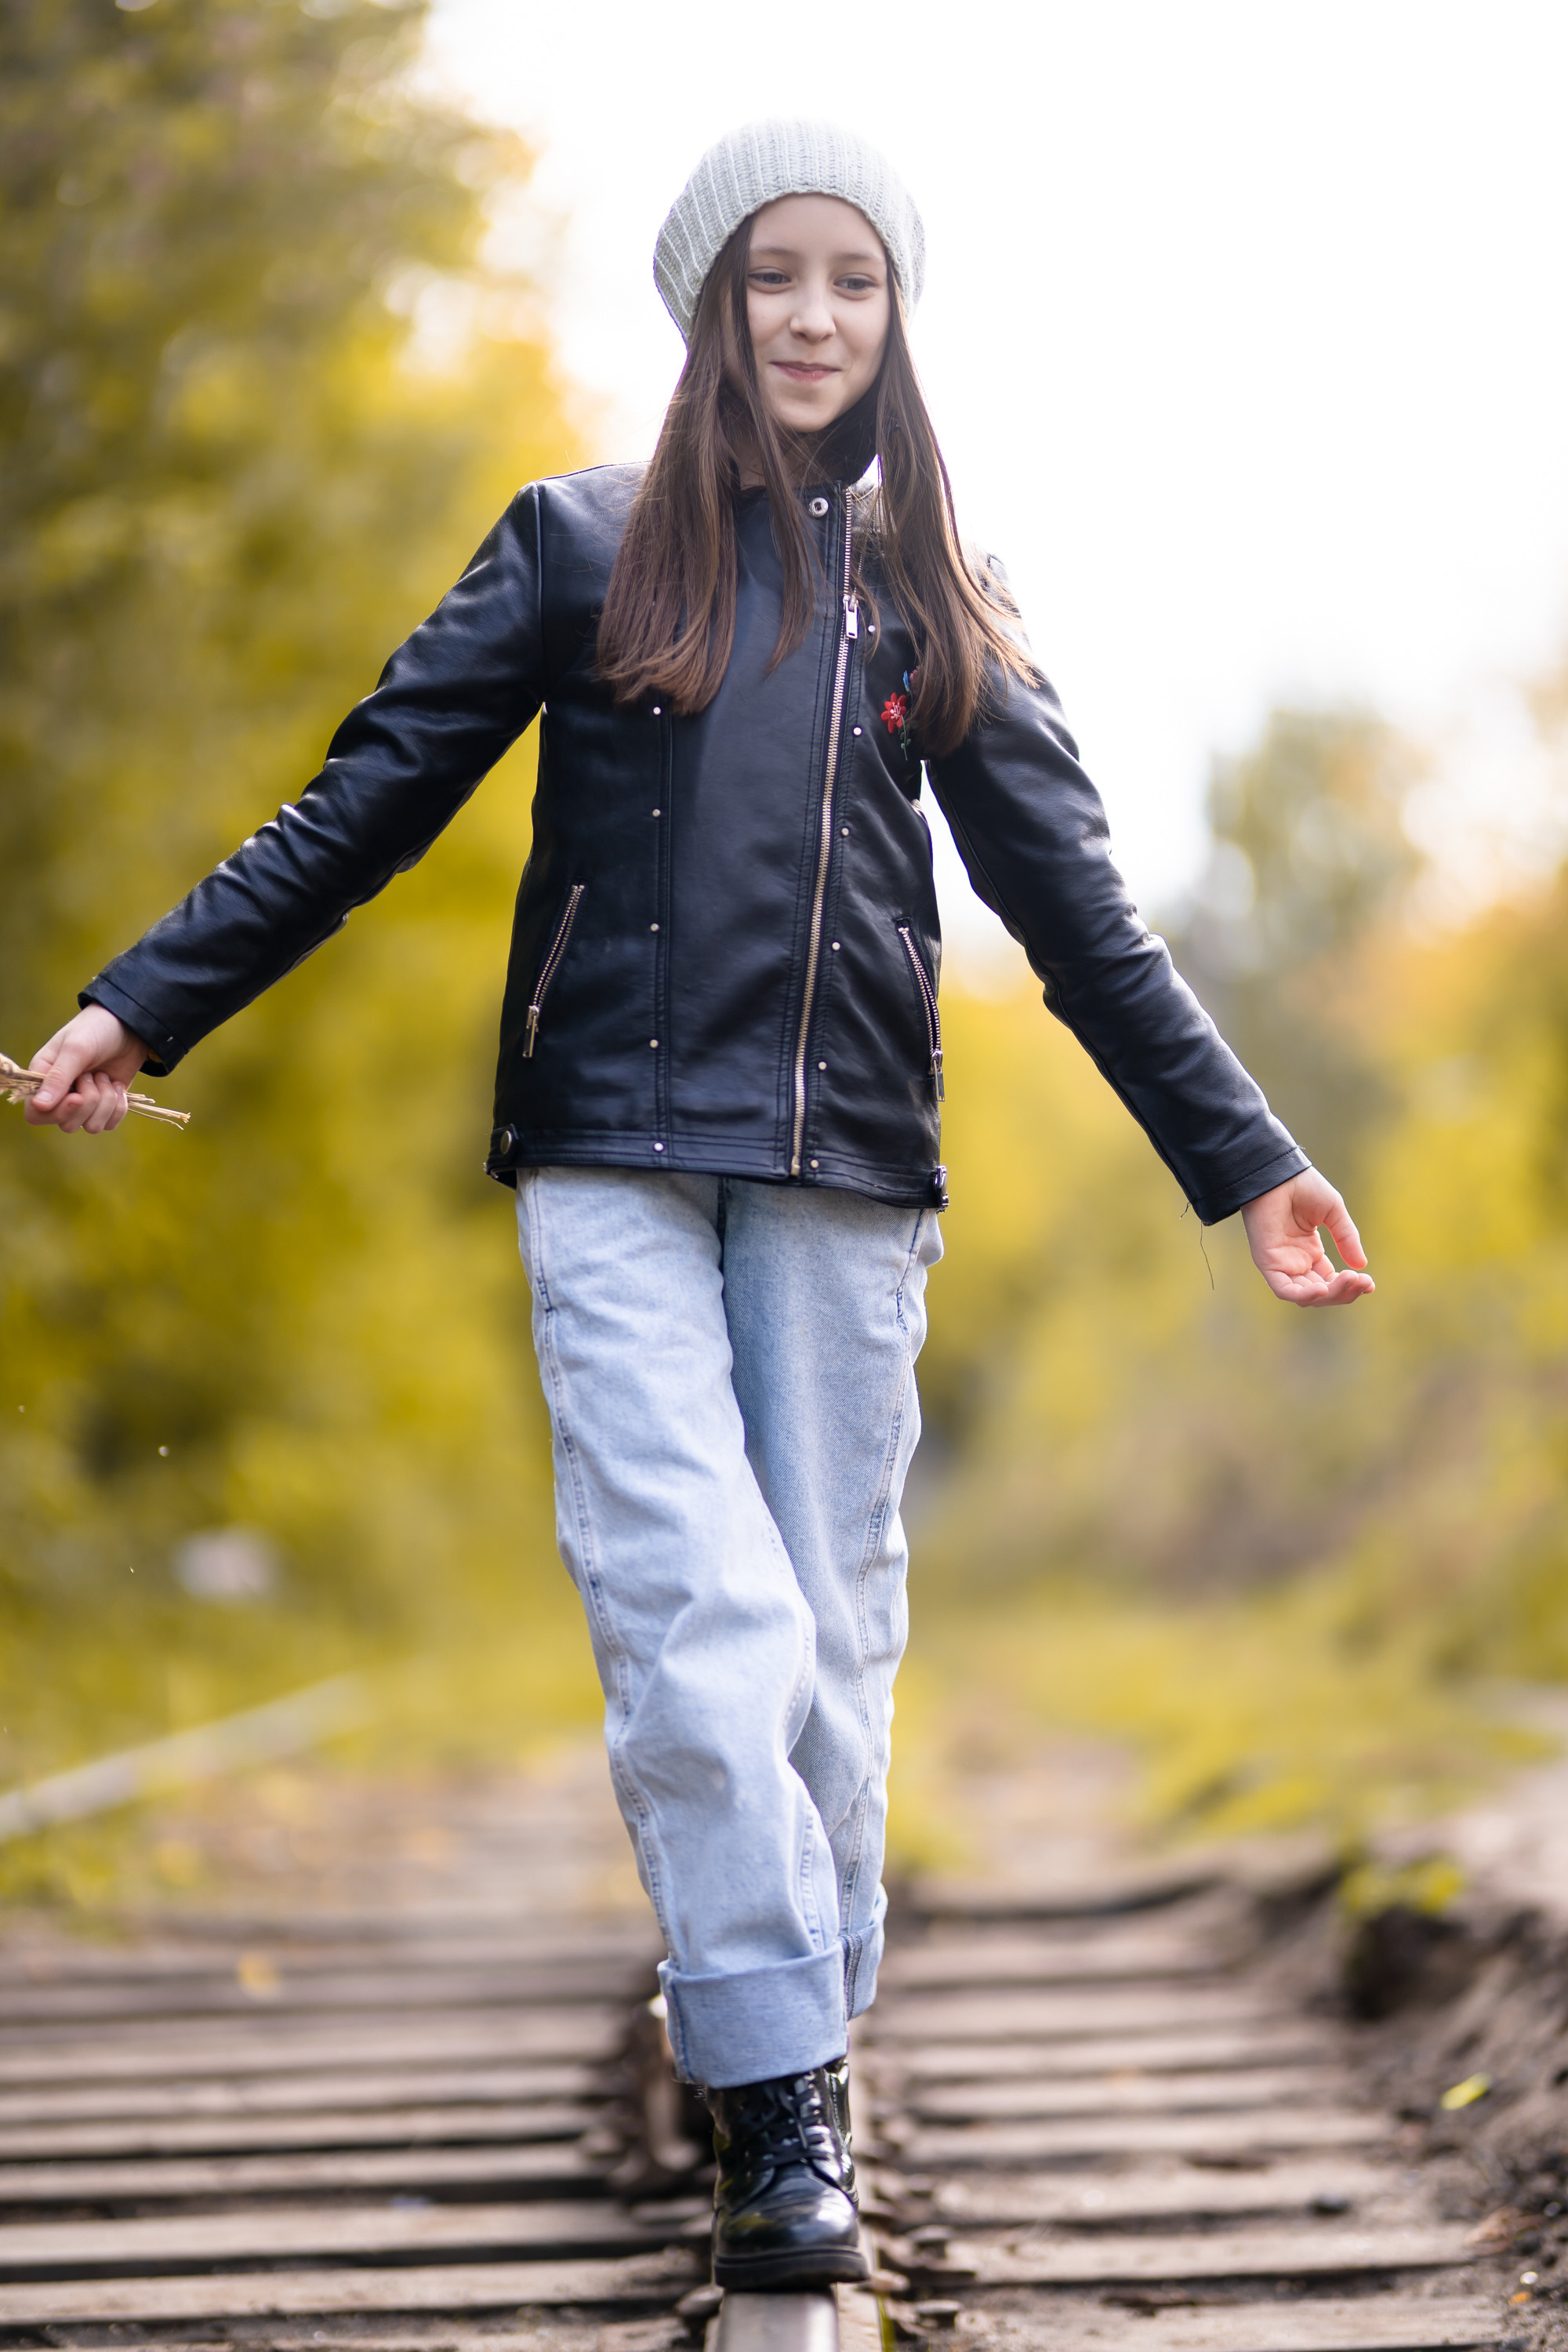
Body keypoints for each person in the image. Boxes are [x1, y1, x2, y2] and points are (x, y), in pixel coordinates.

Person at [25, 121, 1374, 2292]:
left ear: (893, 315)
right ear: (713, 308)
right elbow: (359, 800)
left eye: (853, 277)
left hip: (847, 1179)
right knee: (701, 1629)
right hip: (608, 1168)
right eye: (775, 278)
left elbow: (1087, 922)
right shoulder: (579, 550)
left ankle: (795, 2034)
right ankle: (772, 2110)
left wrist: (1251, 1160)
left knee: (826, 1646)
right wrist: (139, 1005)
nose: (817, 314)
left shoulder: (934, 605)